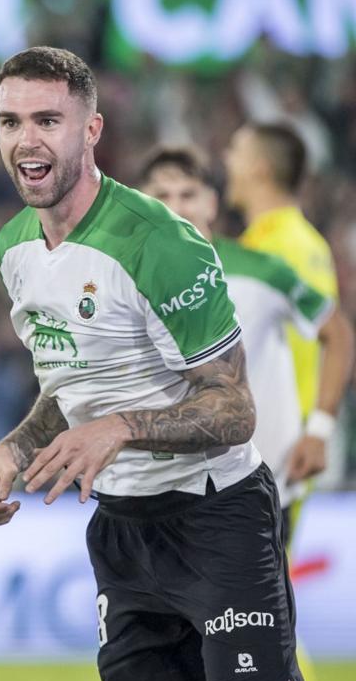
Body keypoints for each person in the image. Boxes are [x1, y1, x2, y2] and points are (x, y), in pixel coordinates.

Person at [0, 46, 305, 681]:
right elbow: (72, 385)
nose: (26, 139)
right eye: (10, 122)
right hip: (122, 529)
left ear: (91, 130)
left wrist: (118, 428)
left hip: (218, 516)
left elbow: (234, 411)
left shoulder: (161, 243)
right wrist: (16, 446)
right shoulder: (13, 248)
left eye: (48, 120)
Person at [138, 146, 354, 539]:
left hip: (259, 485)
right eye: (161, 196)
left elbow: (338, 333)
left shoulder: (262, 271)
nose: (175, 207)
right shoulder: (122, 283)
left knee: (253, 603)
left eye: (187, 194)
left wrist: (320, 429)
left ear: (211, 203)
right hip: (162, 492)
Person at [224, 121, 355, 531]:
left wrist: (315, 429)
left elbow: (332, 336)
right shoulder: (287, 241)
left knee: (265, 585)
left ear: (260, 168)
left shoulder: (284, 248)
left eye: (236, 151)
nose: (226, 160)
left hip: (278, 450)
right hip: (268, 445)